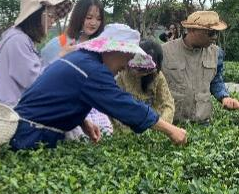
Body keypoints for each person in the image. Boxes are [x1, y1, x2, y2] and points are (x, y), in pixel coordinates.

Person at [10, 24, 188, 150]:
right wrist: (170, 129)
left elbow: (61, 96)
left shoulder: (81, 59)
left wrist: (82, 121)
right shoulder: (92, 70)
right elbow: (124, 105)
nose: (127, 65)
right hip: (31, 136)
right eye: (128, 57)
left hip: (27, 130)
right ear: (115, 50)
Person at [39, 0, 112, 137]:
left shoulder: (99, 47)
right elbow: (43, 76)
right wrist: (62, 55)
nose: (93, 23)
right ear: (79, 16)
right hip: (65, 103)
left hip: (92, 105)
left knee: (104, 135)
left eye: (98, 19)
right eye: (89, 17)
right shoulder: (61, 42)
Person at [0, 0, 72, 106]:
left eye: (55, 17)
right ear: (36, 14)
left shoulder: (22, 39)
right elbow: (34, 81)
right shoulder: (17, 40)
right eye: (50, 16)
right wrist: (60, 56)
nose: (53, 21)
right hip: (11, 111)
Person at [162, 10, 239, 123]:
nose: (215, 37)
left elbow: (216, 81)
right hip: (171, 122)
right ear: (192, 30)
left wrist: (224, 97)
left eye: (216, 33)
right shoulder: (164, 51)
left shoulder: (216, 53)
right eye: (210, 33)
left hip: (202, 121)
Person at [114, 39, 175, 132]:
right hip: (125, 126)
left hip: (152, 126)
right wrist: (129, 132)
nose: (143, 73)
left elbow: (168, 105)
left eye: (148, 70)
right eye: (139, 68)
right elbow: (115, 107)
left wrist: (161, 128)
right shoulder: (121, 74)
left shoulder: (157, 76)